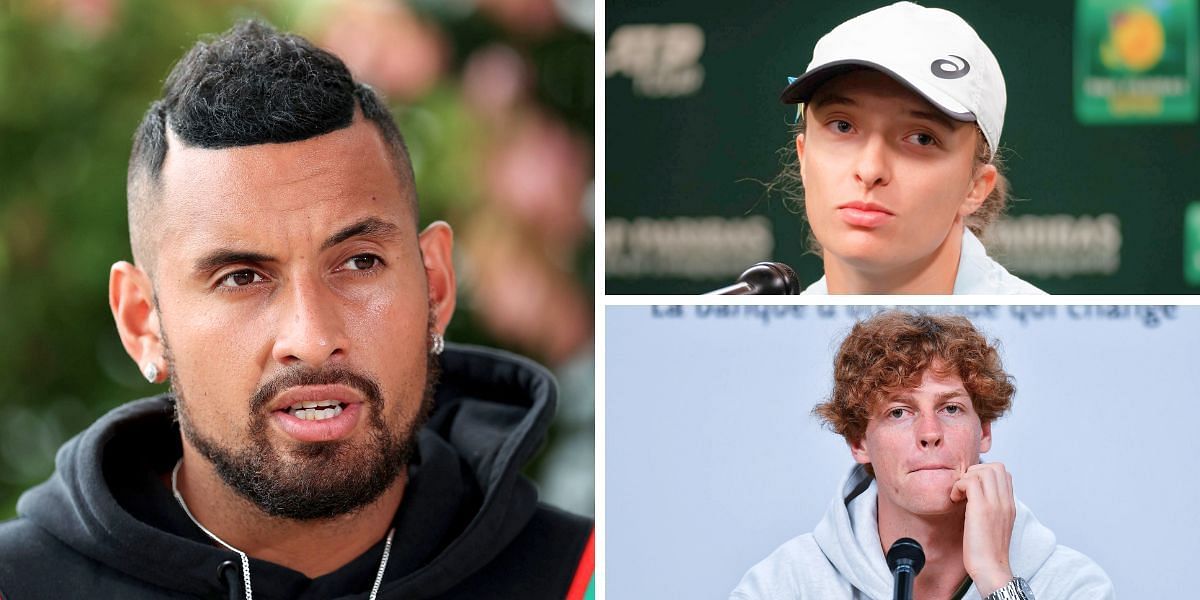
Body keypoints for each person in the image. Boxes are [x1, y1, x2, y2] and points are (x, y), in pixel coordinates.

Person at [0, 20, 594, 600]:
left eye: (359, 263)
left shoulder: (597, 581)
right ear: (141, 322)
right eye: (241, 277)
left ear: (435, 285)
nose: (312, 338)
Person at [730, 311, 1112, 599]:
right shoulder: (784, 584)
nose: (929, 433)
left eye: (950, 409)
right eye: (899, 412)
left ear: (984, 431)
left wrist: (998, 580)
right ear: (858, 443)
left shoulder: (1072, 583)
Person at [777, 2, 1045, 294]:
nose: (870, 170)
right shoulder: (760, 337)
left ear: (976, 186)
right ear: (803, 156)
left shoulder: (1055, 339)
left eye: (921, 138)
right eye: (842, 126)